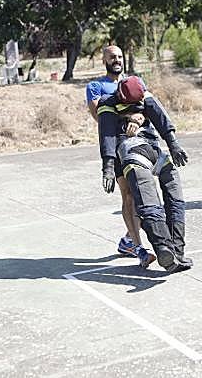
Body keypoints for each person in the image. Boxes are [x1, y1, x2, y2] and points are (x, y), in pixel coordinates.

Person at [97, 75, 192, 273]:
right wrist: (108, 167)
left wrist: (174, 144)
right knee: (152, 201)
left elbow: (159, 115)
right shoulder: (107, 102)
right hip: (143, 153)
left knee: (161, 201)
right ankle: (171, 250)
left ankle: (170, 249)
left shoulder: (142, 93)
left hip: (143, 153)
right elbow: (107, 133)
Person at [86, 46, 143, 258]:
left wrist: (138, 119)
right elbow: (100, 116)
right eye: (112, 57)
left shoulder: (135, 82)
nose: (117, 60)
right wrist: (130, 116)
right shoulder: (95, 86)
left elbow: (145, 109)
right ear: (104, 61)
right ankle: (136, 244)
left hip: (140, 142)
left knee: (144, 194)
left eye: (119, 56)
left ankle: (128, 239)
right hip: (116, 144)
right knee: (129, 194)